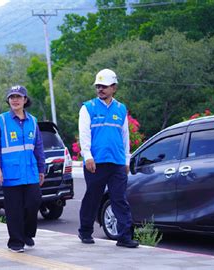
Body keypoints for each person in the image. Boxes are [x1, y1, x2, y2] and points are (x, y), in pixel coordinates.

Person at [78, 68, 139, 248]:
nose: (100, 89)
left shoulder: (121, 109)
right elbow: (84, 134)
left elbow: (125, 136)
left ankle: (124, 237)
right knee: (93, 197)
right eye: (98, 86)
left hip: (117, 162)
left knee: (119, 199)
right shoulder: (88, 107)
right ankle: (85, 231)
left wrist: (126, 160)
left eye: (104, 86)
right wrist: (87, 156)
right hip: (95, 163)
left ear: (114, 87)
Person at [0, 85, 45, 253]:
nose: (15, 100)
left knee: (33, 203)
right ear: (8, 100)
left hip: (30, 172)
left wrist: (41, 169)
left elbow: (38, 147)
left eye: (18, 97)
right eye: (12, 97)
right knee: (14, 209)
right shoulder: (1, 121)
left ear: (25, 100)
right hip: (11, 173)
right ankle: (16, 242)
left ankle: (27, 233)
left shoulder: (33, 121)